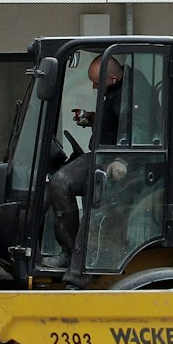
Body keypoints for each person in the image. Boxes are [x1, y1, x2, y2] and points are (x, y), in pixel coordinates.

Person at [44, 55, 128, 288]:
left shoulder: (133, 96)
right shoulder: (113, 90)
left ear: (113, 78)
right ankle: (69, 252)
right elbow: (113, 121)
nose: (93, 87)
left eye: (96, 83)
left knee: (95, 194)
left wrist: (122, 160)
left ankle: (79, 275)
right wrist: (90, 117)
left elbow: (140, 128)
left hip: (119, 163)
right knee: (60, 181)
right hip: (99, 155)